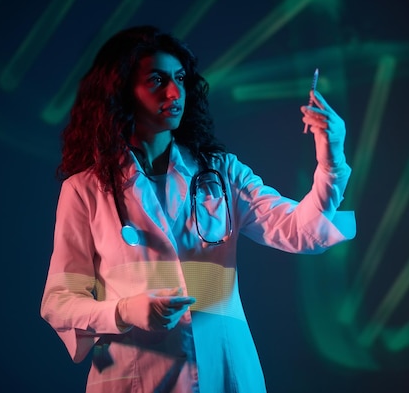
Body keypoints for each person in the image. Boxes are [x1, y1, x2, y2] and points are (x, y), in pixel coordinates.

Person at [40, 25, 356, 393]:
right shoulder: (85, 190)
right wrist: (123, 311)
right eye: (156, 80)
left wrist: (331, 157)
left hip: (227, 371)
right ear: (121, 90)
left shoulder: (220, 172)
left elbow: (300, 231)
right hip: (138, 376)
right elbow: (59, 302)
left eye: (179, 79)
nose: (174, 92)